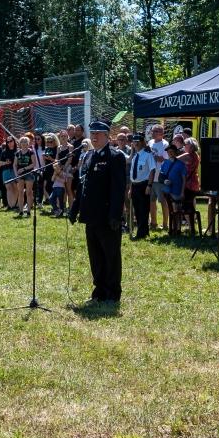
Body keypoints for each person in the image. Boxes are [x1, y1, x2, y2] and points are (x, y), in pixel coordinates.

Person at [74, 122, 128, 306]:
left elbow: (118, 188)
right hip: (91, 214)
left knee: (110, 255)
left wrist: (115, 215)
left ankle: (112, 293)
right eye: (93, 133)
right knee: (95, 256)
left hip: (107, 216)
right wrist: (75, 208)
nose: (94, 136)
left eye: (98, 133)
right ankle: (99, 291)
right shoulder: (90, 155)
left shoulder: (115, 156)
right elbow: (83, 185)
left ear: (107, 136)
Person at [124, 133, 156, 236]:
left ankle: (142, 233)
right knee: (137, 210)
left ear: (142, 142)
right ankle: (142, 231)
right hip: (135, 186)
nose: (136, 144)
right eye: (134, 142)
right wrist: (131, 188)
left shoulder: (148, 155)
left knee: (143, 209)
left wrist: (149, 185)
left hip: (144, 185)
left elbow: (152, 170)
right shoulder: (135, 156)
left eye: (138, 142)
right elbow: (132, 174)